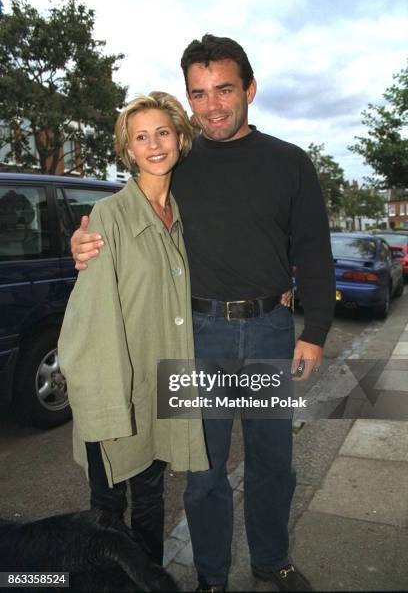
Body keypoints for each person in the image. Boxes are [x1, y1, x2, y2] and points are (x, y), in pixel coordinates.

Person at [71, 35, 335, 592]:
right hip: (195, 335)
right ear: (188, 100)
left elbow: (313, 248)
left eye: (224, 90)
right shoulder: (179, 162)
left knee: (272, 463)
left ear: (250, 89)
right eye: (199, 93)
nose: (212, 105)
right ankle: (211, 577)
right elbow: (131, 208)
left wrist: (314, 333)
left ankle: (270, 560)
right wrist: (85, 241)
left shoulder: (289, 162)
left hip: (268, 330)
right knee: (202, 471)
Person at [58, 92, 210, 567]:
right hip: (117, 390)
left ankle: (148, 579)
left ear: (179, 138)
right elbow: (92, 317)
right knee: (107, 512)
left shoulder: (186, 215)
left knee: (150, 503)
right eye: (140, 137)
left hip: (161, 384)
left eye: (162, 132)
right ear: (129, 149)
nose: (154, 144)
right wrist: (105, 407)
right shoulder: (109, 216)